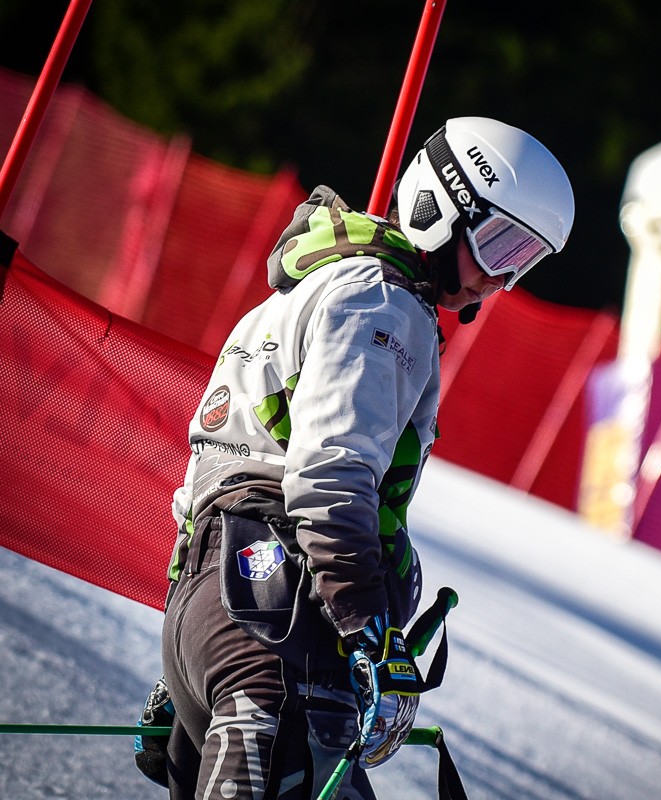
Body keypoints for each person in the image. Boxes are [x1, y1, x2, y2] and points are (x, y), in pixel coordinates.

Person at [134, 116, 574, 799]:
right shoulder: (383, 305)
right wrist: (371, 633)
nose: (499, 279)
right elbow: (328, 477)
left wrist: (185, 659)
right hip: (281, 630)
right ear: (439, 205)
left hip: (225, 611)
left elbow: (217, 469)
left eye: (522, 260)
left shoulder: (322, 282)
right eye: (497, 245)